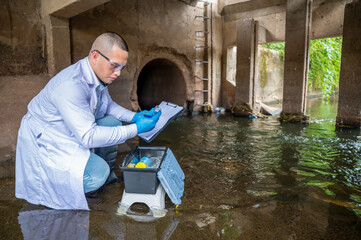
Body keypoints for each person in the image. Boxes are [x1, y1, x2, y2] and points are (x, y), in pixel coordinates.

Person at [15, 32, 161, 210]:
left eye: (122, 67)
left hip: (69, 131)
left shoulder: (97, 76)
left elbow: (107, 105)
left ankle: (105, 180)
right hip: (46, 142)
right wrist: (136, 128)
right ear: (95, 56)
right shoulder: (71, 85)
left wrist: (134, 117)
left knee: (111, 122)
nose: (118, 73)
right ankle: (81, 183)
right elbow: (88, 136)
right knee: (96, 174)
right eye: (114, 66)